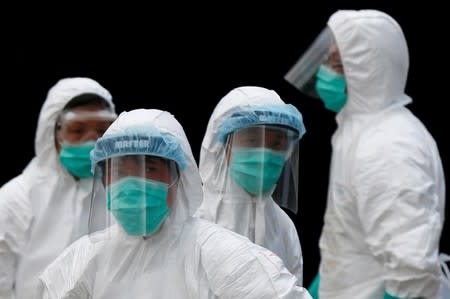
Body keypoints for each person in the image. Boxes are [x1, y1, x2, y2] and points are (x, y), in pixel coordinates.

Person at [36, 108, 313, 299]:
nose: (133, 182)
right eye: (120, 170)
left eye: (149, 168)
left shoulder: (218, 252)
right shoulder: (84, 258)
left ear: (178, 178)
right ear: (104, 179)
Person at [284, 9, 445, 299]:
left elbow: (414, 271)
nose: (322, 70)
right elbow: (349, 232)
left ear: (366, 71)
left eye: (334, 63)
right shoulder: (359, 130)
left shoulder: (388, 147)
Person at [0, 77, 117, 298]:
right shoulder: (17, 198)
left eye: (103, 130)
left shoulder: (121, 194)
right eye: (77, 130)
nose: (92, 142)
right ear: (52, 132)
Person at [195, 86, 306, 285]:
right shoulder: (192, 218)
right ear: (221, 147)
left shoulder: (283, 227)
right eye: (252, 140)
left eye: (276, 145)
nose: (264, 154)